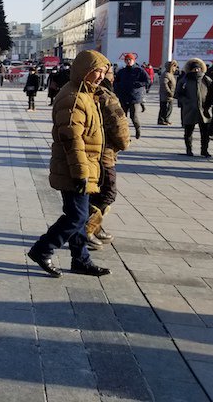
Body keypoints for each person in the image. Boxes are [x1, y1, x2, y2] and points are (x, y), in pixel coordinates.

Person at [28, 50, 112, 278]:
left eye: (103, 72)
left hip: (85, 166)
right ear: (84, 70)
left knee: (80, 215)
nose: (100, 76)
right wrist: (80, 172)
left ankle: (80, 259)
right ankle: (42, 250)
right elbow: (71, 139)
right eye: (97, 71)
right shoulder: (74, 97)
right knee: (76, 216)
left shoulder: (86, 94)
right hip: (74, 168)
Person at [86, 66, 130, 249]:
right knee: (107, 193)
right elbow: (119, 125)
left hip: (90, 151)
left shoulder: (85, 91)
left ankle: (95, 227)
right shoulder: (106, 96)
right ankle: (87, 229)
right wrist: (124, 143)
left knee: (94, 191)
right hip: (104, 153)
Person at [175, 58, 212, 157]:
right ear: (190, 69)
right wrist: (186, 102)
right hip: (189, 109)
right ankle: (189, 149)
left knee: (205, 132)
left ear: (201, 69)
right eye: (194, 69)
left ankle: (204, 150)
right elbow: (178, 94)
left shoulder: (206, 79)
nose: (196, 70)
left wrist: (209, 103)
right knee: (188, 131)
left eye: (198, 68)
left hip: (204, 109)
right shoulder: (185, 80)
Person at [113, 53, 150, 139]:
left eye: (130, 60)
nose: (128, 61)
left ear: (133, 60)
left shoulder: (139, 70)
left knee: (133, 116)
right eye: (127, 60)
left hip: (135, 97)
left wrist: (138, 84)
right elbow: (116, 82)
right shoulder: (121, 71)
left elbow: (147, 81)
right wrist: (117, 89)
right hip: (123, 96)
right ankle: (124, 133)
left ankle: (138, 130)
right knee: (122, 117)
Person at [157, 60, 178, 125]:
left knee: (169, 108)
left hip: (170, 95)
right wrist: (169, 92)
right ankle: (161, 120)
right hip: (165, 95)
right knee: (164, 108)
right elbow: (164, 84)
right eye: (174, 66)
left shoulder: (170, 74)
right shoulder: (166, 74)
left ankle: (166, 119)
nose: (175, 68)